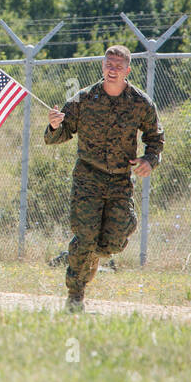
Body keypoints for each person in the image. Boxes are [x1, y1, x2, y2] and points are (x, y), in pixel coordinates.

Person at [45, 44, 164, 313]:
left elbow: (155, 137)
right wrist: (54, 126)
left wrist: (149, 160)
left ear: (127, 70)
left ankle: (86, 255)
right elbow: (61, 133)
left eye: (118, 67)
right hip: (88, 178)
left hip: (120, 181)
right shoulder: (84, 99)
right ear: (102, 67)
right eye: (108, 65)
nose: (112, 71)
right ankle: (76, 294)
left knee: (113, 241)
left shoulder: (140, 103)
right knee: (86, 237)